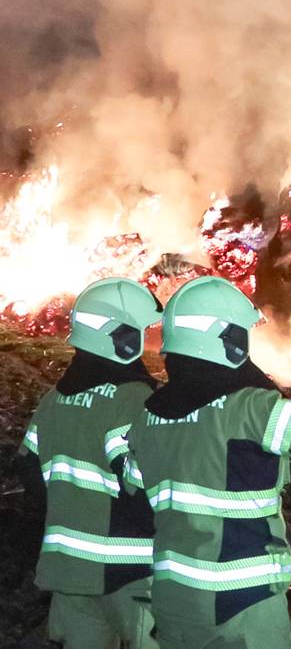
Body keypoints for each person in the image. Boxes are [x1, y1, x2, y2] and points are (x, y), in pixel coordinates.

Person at [119, 275, 291, 649]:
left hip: (174, 603)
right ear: (227, 341)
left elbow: (136, 503)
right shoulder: (247, 409)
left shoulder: (147, 419)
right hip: (243, 607)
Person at [16, 277, 163, 649]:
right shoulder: (132, 401)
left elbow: (29, 471)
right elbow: (152, 483)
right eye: (140, 332)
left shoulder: (53, 400)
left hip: (68, 573)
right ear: (121, 338)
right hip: (131, 577)